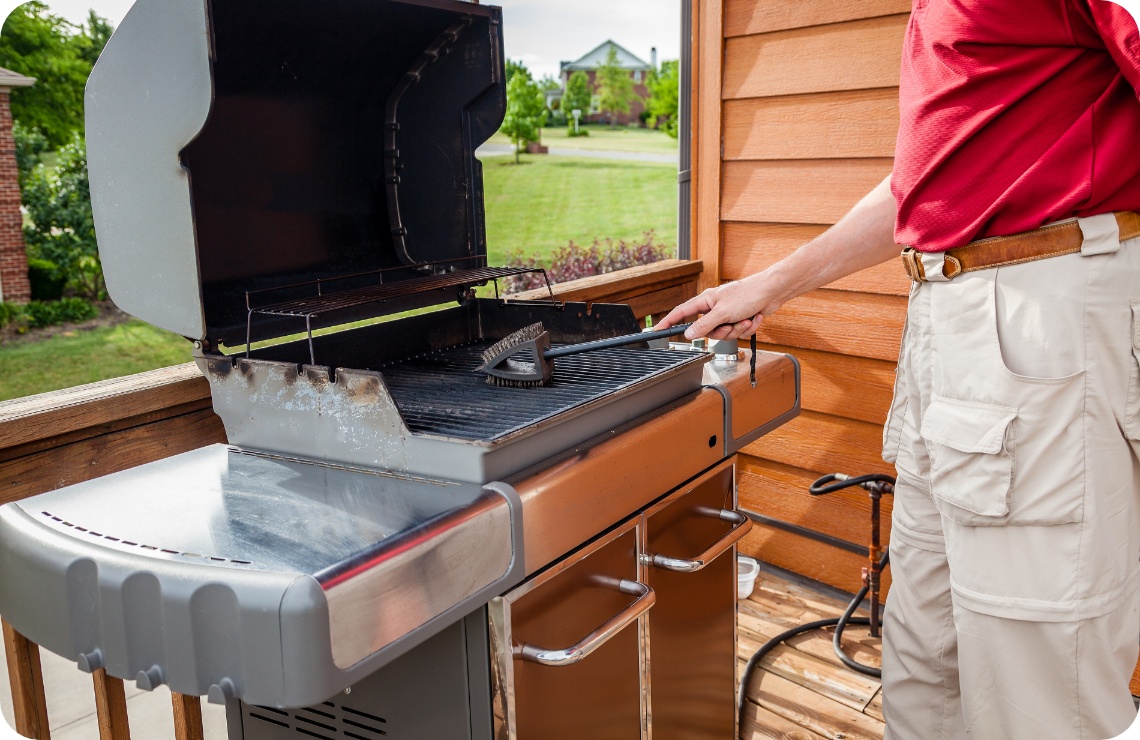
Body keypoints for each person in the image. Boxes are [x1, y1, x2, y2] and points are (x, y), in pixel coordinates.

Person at [657, 2, 1140, 738]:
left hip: (1040, 318)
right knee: (924, 662)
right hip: (948, 323)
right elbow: (925, 190)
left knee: (1038, 696)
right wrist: (770, 285)